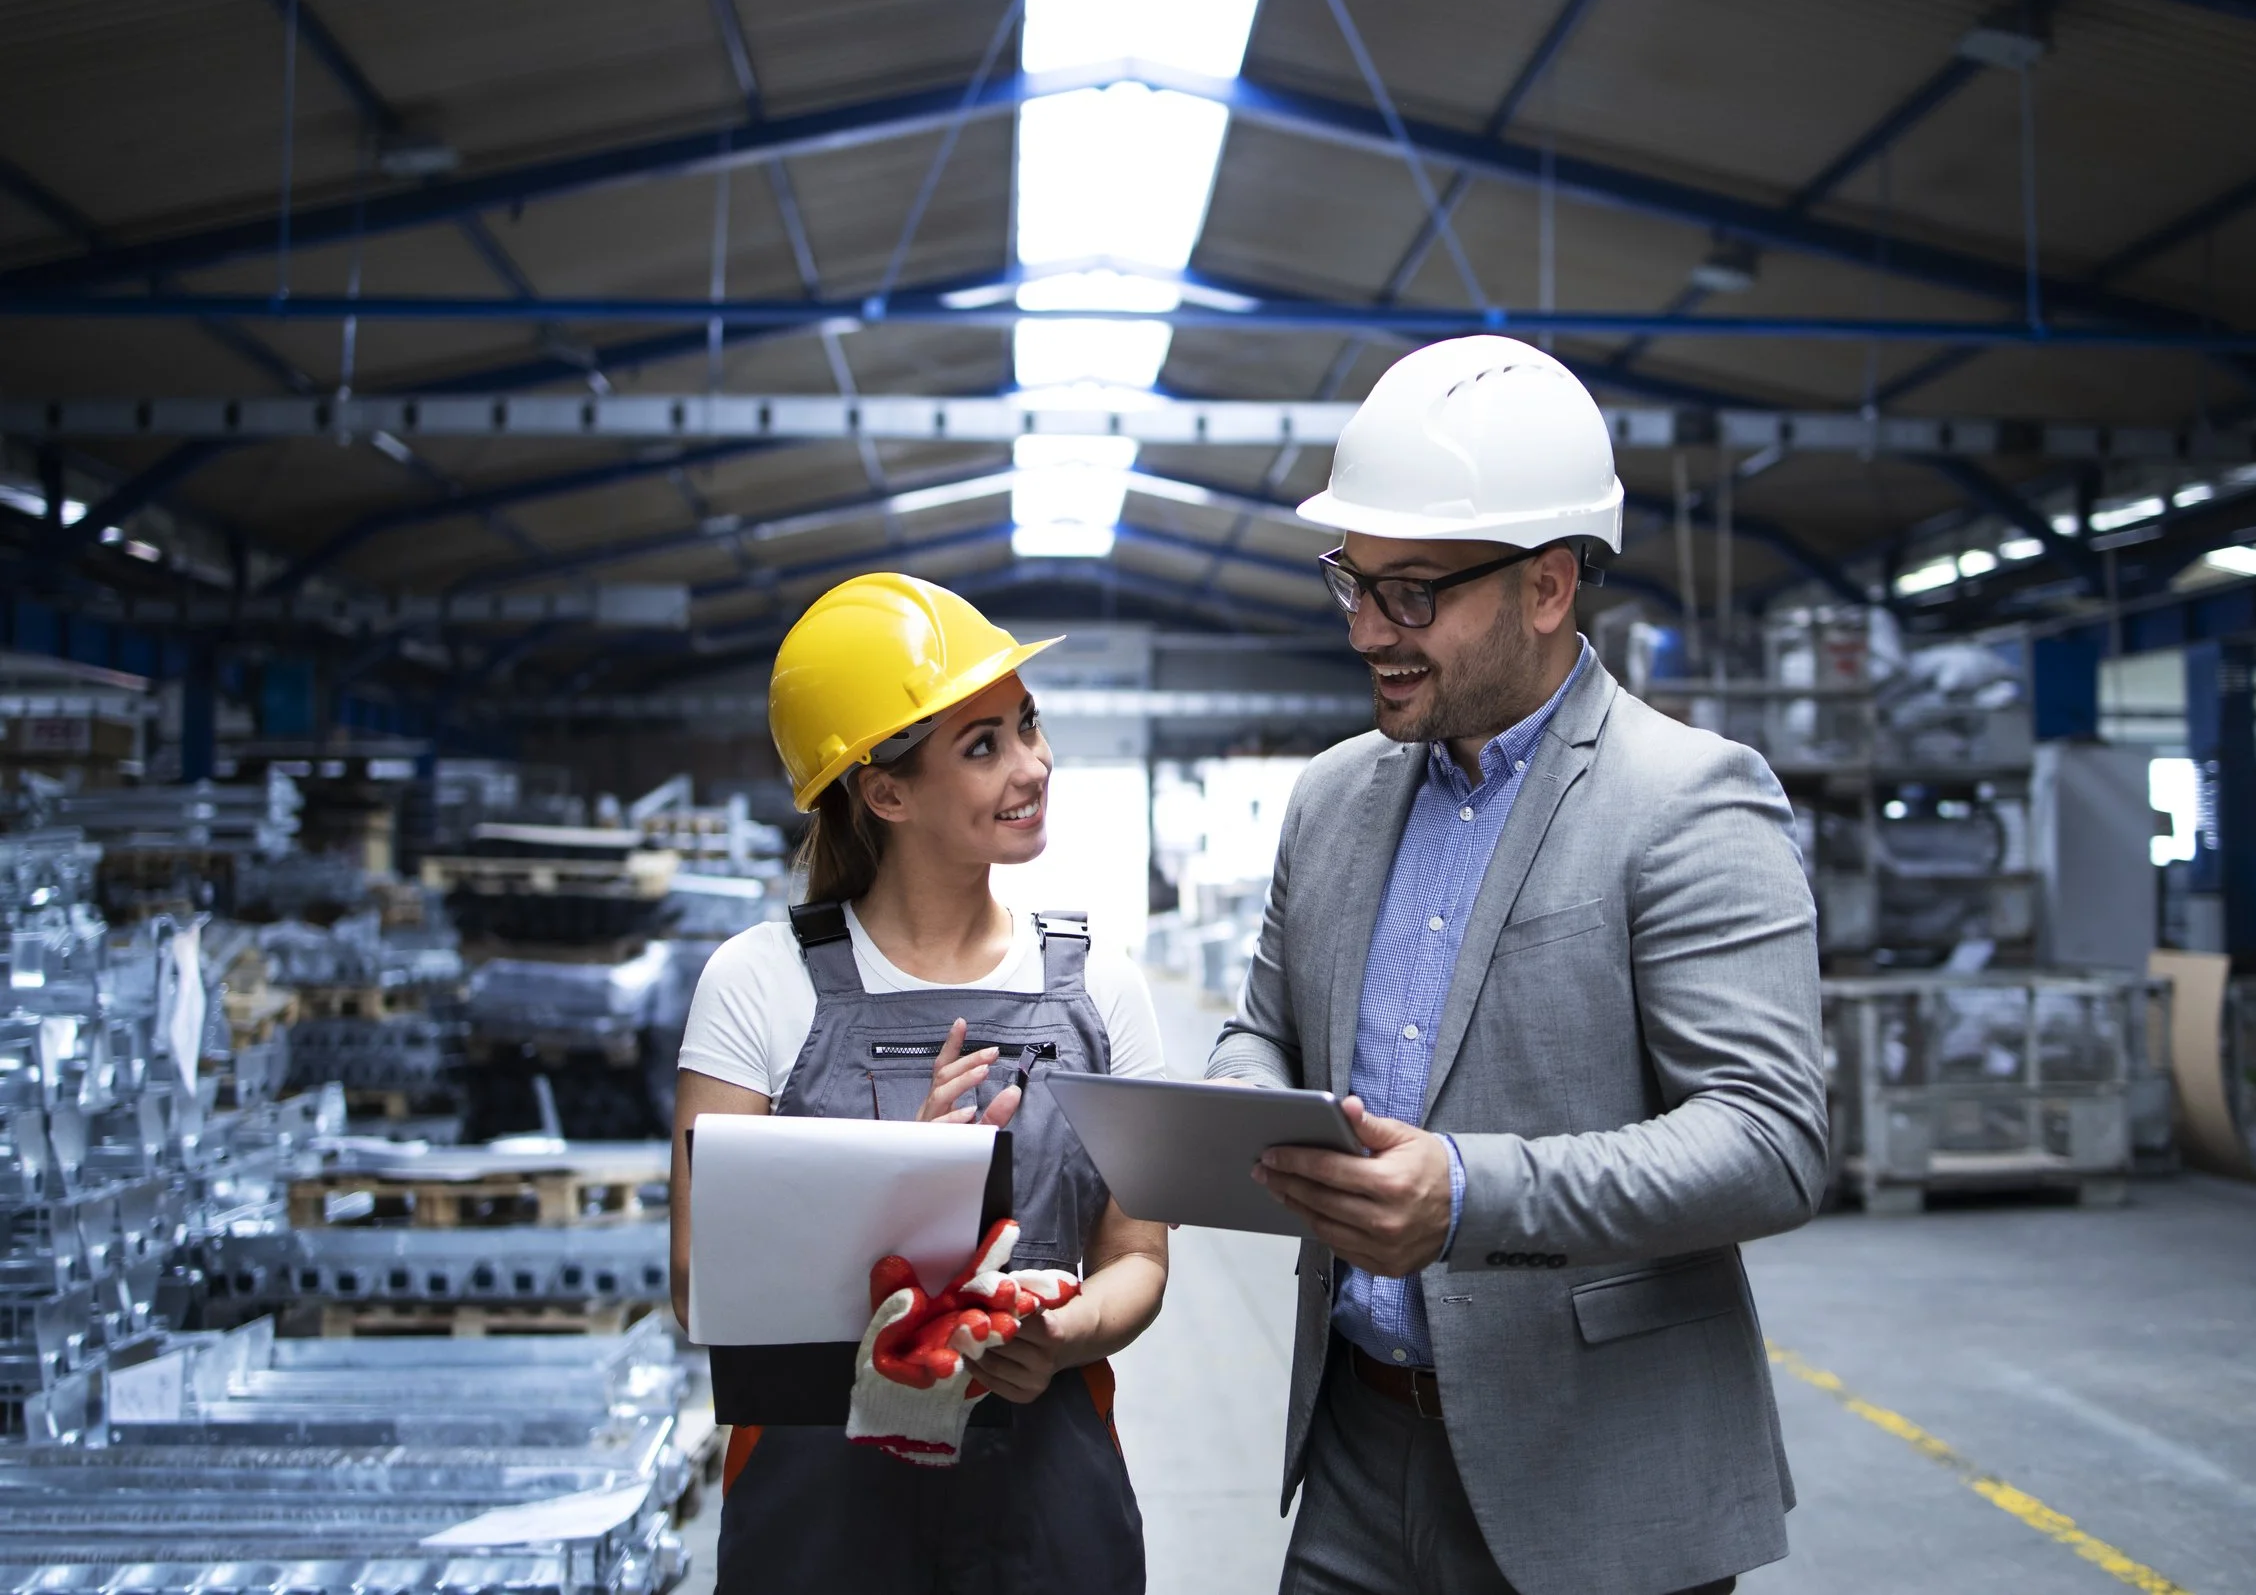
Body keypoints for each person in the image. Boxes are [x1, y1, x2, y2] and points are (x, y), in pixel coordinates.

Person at [1206, 336, 1828, 1595]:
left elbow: (1770, 1139)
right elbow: (1262, 1023)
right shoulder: (1332, 799)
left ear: (1548, 586)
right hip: (1354, 1453)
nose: (1370, 631)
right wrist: (1244, 1110)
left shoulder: (1687, 800)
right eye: (1354, 584)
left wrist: (1471, 1196)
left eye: (1414, 594)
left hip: (1594, 1472)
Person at [668, 572, 1168, 1593]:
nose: (1032, 765)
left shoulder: (1097, 985)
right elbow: (695, 1287)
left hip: (1045, 1496)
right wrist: (903, 1186)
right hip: (821, 1512)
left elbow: (1138, 1257)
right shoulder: (758, 982)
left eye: (1026, 724)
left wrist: (1065, 1331)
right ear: (884, 789)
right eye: (981, 745)